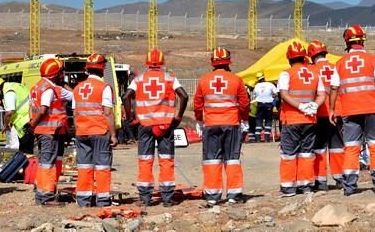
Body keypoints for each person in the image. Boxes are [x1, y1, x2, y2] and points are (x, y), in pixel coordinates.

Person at [329, 25, 375, 195]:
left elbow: (334, 88)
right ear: (363, 40)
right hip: (372, 108)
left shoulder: (340, 63)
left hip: (350, 110)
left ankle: (349, 186)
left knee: (351, 147)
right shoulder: (373, 60)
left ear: (347, 42)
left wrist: (332, 109)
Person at [123, 49, 188, 208]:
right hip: (165, 125)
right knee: (166, 160)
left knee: (145, 160)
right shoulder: (169, 78)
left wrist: (131, 117)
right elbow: (184, 96)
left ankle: (145, 198)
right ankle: (167, 198)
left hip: (145, 125)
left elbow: (126, 96)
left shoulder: (138, 80)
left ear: (147, 63)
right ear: (162, 62)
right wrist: (178, 117)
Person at [194, 47, 250, 205]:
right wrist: (244, 120)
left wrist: (199, 120)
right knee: (232, 159)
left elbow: (198, 104)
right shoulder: (236, 79)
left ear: (212, 62)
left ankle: (212, 196)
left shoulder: (204, 80)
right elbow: (244, 103)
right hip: (231, 123)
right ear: (228, 63)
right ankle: (234, 195)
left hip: (211, 124)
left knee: (212, 159)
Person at [277, 40, 325, 197]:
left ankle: (288, 187)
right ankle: (305, 185)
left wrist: (299, 106)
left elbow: (284, 94)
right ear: (305, 57)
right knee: (306, 153)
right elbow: (321, 95)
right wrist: (314, 106)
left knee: (289, 154)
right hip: (310, 120)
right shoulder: (314, 73)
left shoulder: (286, 74)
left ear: (289, 59)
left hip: (291, 120)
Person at [72, 54, 118, 207]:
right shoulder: (104, 88)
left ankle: (83, 200)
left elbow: (75, 113)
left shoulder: (78, 88)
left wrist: (78, 129)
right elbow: (107, 113)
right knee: (102, 166)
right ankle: (103, 199)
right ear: (102, 69)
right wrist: (113, 135)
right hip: (99, 131)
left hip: (82, 132)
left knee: (84, 166)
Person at [29, 57, 73, 206]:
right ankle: (46, 196)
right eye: (61, 72)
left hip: (44, 131)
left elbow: (33, 109)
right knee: (48, 163)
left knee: (45, 162)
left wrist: (33, 125)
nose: (62, 74)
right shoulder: (50, 89)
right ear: (56, 74)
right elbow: (43, 109)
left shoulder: (36, 87)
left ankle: (42, 191)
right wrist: (33, 124)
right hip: (50, 131)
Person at [307, 39, 344, 190]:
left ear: (311, 55)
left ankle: (320, 181)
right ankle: (341, 178)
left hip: (320, 113)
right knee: (338, 147)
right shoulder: (336, 67)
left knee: (319, 148)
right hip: (338, 112)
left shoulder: (311, 70)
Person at [0, 76, 34, 154]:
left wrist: (6, 124)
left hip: (24, 123)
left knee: (25, 153)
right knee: (27, 152)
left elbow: (9, 112)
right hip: (28, 120)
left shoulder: (9, 92)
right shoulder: (14, 86)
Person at [252, 71, 278, 142]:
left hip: (260, 104)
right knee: (268, 120)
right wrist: (272, 97)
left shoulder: (257, 86)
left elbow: (254, 94)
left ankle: (257, 138)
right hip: (268, 104)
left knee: (259, 120)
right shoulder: (270, 84)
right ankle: (266, 138)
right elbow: (276, 94)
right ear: (264, 77)